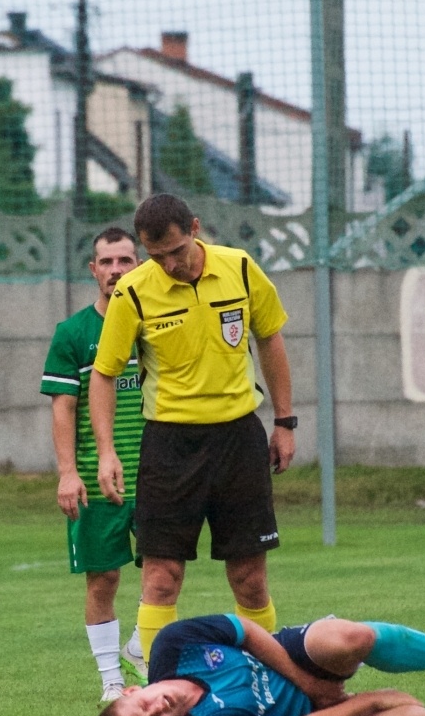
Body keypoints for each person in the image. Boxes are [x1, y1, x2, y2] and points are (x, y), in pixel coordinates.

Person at [89, 194, 295, 664]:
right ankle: (157, 686)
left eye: (176, 251)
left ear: (196, 228)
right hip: (169, 445)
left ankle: (264, 676)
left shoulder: (240, 269)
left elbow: (270, 338)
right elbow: (104, 373)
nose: (168, 264)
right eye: (155, 256)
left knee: (250, 577)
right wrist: (106, 452)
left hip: (238, 438)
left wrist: (284, 422)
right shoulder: (134, 291)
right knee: (161, 576)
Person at [95, 612, 425, 716]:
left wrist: (310, 682)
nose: (157, 709)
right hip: (321, 712)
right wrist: (371, 700)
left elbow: (246, 630)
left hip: (294, 659)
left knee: (347, 638)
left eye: (142, 704)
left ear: (133, 688)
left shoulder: (173, 645)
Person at [40, 227, 149, 701]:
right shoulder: (73, 333)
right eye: (107, 263)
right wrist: (68, 471)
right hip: (94, 474)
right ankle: (111, 680)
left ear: (140, 265)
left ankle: (143, 645)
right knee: (103, 577)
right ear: (93, 270)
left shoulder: (156, 324)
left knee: (164, 569)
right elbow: (62, 406)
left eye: (125, 261)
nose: (116, 271)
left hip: (157, 473)